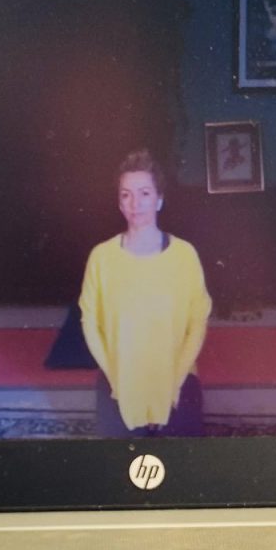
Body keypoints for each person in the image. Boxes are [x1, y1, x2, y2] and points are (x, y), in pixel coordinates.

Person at [79, 150, 211, 436]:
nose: (135, 203)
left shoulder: (184, 255)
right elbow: (89, 323)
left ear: (159, 199)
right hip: (119, 378)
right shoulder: (101, 257)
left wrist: (172, 383)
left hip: (176, 376)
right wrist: (117, 381)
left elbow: (197, 322)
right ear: (119, 203)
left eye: (145, 193)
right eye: (126, 195)